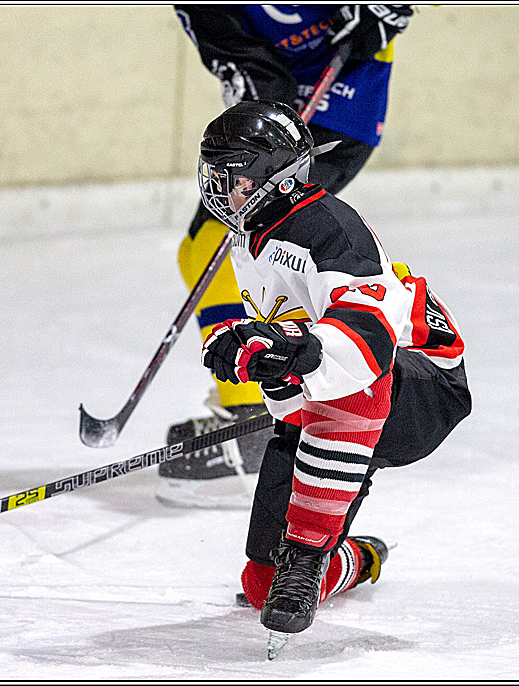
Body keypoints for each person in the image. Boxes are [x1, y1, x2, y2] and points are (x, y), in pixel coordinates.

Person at [194, 100, 470, 638]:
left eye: (239, 179)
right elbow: (294, 349)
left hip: (422, 385)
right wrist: (259, 357)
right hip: (345, 385)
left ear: (280, 178)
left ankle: (306, 556)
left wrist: (291, 351)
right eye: (218, 177)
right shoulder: (249, 236)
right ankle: (352, 560)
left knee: (349, 380)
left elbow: (367, 335)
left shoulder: (330, 231)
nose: (224, 192)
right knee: (259, 585)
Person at [159, 4, 415, 508]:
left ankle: (260, 422)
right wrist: (257, 83)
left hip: (339, 98)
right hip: (271, 116)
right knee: (207, 251)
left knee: (274, 259)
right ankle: (263, 407)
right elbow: (224, 34)